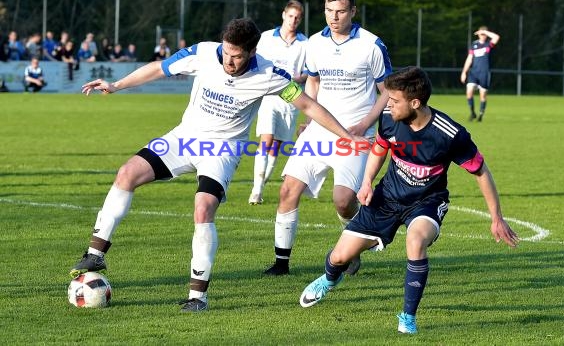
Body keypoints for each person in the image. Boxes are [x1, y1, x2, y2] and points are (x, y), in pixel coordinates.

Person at [68, 18, 368, 313]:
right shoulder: (202, 52)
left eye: (237, 56)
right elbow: (159, 68)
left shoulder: (270, 74)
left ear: (251, 52)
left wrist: (346, 136)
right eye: (226, 52)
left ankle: (197, 296)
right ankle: (95, 254)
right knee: (127, 173)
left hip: (221, 150)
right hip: (183, 139)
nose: (229, 60)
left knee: (203, 207)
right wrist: (117, 85)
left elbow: (308, 105)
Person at [298, 66, 519, 334]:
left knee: (415, 241)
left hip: (426, 202)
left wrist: (496, 217)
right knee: (339, 257)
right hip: (387, 198)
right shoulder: (390, 118)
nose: (387, 104)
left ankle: (407, 317)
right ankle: (329, 280)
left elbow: (481, 171)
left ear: (415, 103)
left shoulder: (449, 134)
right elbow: (381, 147)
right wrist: (367, 181)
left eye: (393, 100)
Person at [263, 0, 392, 276]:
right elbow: (314, 82)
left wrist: (364, 123)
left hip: (356, 135)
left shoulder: (372, 45)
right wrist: (309, 119)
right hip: (318, 133)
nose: (334, 17)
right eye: (329, 11)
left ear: (353, 11)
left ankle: (355, 241)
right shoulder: (314, 45)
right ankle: (281, 264)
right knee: (287, 190)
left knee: (344, 202)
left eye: (341, 11)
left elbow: (387, 91)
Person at [248, 0, 308, 205]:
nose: (293, 20)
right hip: (269, 96)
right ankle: (256, 191)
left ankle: (261, 185)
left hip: (290, 100)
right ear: (284, 15)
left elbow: (309, 72)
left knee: (277, 146)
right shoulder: (266, 38)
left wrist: (299, 77)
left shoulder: (304, 43)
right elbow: (255, 60)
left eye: (297, 18)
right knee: (266, 140)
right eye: (290, 16)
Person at [460, 26, 500, 122]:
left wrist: (485, 32)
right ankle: (473, 112)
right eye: (481, 34)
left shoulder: (488, 45)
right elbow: (469, 59)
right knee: (469, 93)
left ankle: (481, 114)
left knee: (483, 96)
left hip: (484, 73)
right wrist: (464, 72)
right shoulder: (474, 45)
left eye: (484, 34)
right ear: (478, 34)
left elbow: (496, 37)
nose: (483, 36)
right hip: (473, 73)